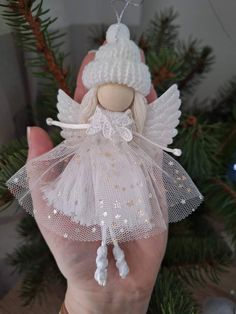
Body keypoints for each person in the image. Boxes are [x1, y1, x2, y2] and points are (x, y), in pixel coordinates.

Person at [27, 49, 167, 314]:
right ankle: (104, 254)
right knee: (95, 208)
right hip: (94, 164)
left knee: (125, 207)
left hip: (124, 167)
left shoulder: (130, 123)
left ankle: (114, 256)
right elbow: (82, 130)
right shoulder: (95, 118)